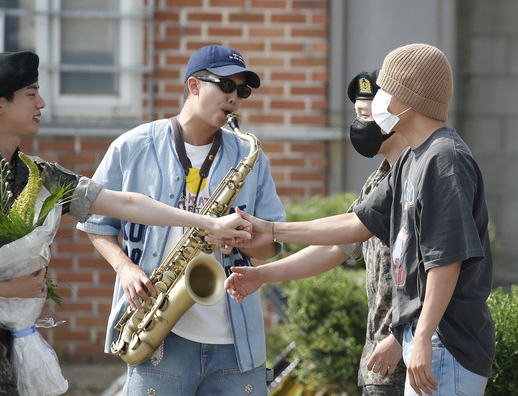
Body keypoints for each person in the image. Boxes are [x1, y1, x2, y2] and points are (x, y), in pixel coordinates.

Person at [0, 50, 252, 395]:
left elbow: (124, 202)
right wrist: (5, 290)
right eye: (31, 94)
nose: (41, 103)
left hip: (13, 355)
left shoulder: (42, 176)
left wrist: (206, 223)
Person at [221, 43, 495, 396]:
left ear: (409, 96)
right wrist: (271, 229)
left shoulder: (444, 159)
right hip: (426, 340)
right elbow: (354, 226)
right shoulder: (414, 160)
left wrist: (423, 335)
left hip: (445, 343)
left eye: (388, 89)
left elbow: (447, 260)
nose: (379, 100)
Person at [76, 44, 285, 396]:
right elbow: (95, 223)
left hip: (237, 344)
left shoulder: (250, 155)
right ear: (194, 85)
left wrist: (246, 238)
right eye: (226, 86)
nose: (235, 98)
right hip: (160, 335)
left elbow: (271, 244)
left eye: (243, 90)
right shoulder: (133, 146)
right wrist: (125, 268)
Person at [222, 69, 408, 395]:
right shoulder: (377, 182)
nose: (360, 125)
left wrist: (273, 229)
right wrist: (262, 274)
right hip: (380, 365)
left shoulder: (418, 175)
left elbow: (432, 268)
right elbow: (336, 247)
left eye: (367, 115)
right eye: (357, 115)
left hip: (411, 359)